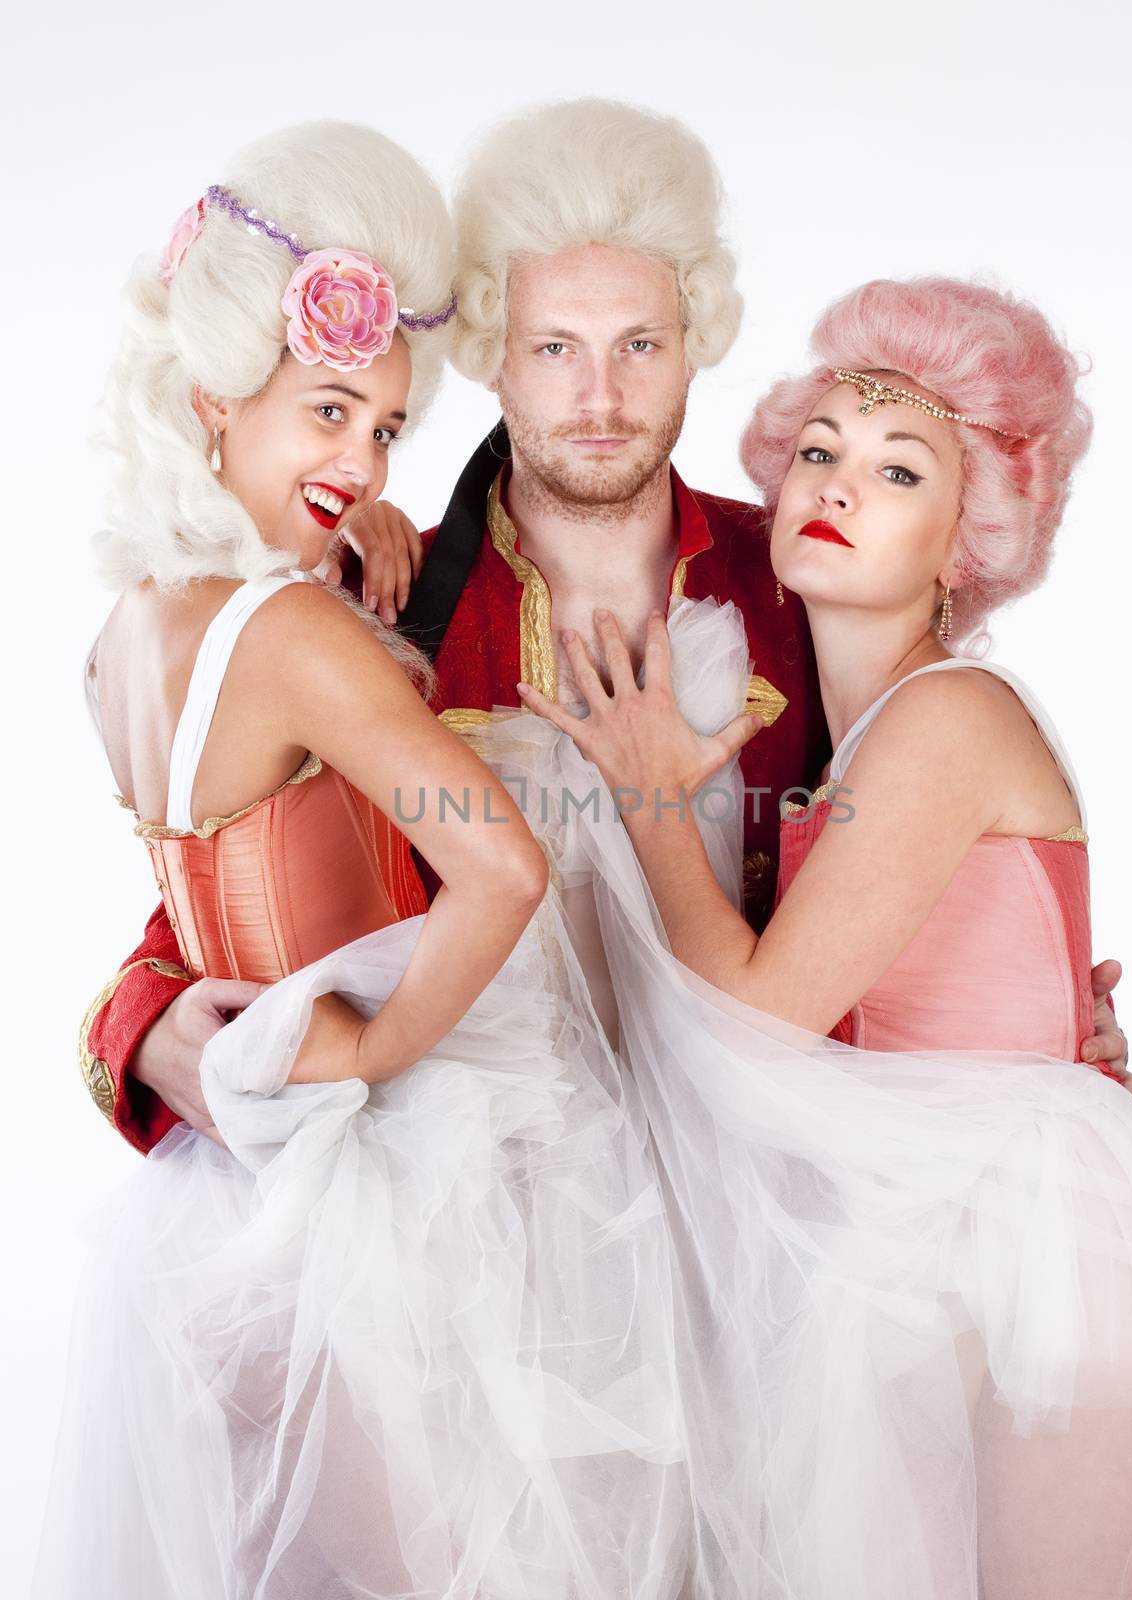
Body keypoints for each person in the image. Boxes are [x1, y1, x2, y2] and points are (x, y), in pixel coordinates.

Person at [80, 99, 1132, 1155]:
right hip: (484, 1233)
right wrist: (141, 1028)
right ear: (493, 355)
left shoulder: (805, 586)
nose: (599, 395)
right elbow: (226, 876)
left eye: (639, 343)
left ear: (694, 348)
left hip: (763, 1224)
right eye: (552, 347)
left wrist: (1031, 1042)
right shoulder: (378, 597)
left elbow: (927, 856)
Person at [39, 122, 686, 1598]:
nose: (364, 457)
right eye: (331, 410)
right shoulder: (297, 632)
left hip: (224, 1203)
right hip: (390, 1184)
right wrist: (383, 1043)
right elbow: (506, 872)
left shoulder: (126, 634)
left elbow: (227, 887)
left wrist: (334, 527)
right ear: (211, 401)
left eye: (387, 426)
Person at [522, 276, 1132, 1597]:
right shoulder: (859, 730)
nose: (838, 488)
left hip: (1042, 1273)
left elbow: (754, 1015)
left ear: (969, 539)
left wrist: (650, 799)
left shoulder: (943, 720)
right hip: (932, 1253)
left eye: (899, 469)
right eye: (818, 452)